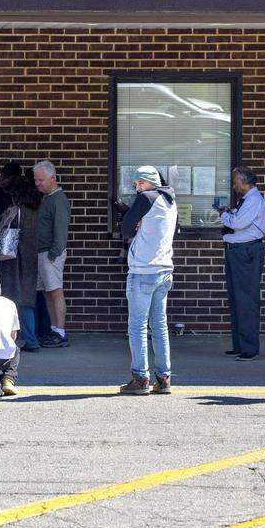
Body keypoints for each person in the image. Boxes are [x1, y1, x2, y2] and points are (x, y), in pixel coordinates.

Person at [117, 166, 177, 395]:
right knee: (159, 325)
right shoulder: (170, 201)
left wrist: (134, 220)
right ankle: (163, 378)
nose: (137, 188)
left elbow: (125, 229)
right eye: (136, 184)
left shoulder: (146, 199)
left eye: (140, 183)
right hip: (164, 269)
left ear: (151, 182)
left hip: (143, 269)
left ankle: (140, 378)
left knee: (138, 326)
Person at [218, 165, 265, 361]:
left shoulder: (254, 200)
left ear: (245, 182)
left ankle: (249, 349)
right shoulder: (246, 200)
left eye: (235, 182)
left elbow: (237, 223)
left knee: (246, 300)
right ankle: (239, 345)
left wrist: (224, 215)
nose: (234, 186)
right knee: (236, 299)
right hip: (238, 251)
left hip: (246, 252)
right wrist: (229, 215)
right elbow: (237, 220)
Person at [0, 177, 41, 352]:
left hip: (13, 262)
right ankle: (31, 340)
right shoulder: (36, 211)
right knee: (26, 302)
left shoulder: (15, 211)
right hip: (30, 260)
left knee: (10, 301)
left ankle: (14, 340)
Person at [33, 160, 71, 348]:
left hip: (50, 253)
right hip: (43, 252)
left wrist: (53, 254)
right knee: (48, 293)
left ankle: (60, 332)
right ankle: (54, 329)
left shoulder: (58, 200)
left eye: (40, 180)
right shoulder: (47, 198)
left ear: (52, 178)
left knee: (55, 292)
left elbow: (61, 231)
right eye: (36, 180)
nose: (37, 184)